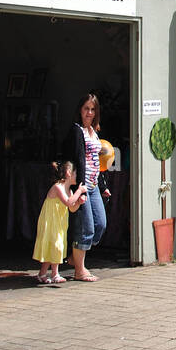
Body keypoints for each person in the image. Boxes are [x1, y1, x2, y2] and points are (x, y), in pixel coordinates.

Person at [68, 93, 110, 281]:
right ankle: (80, 270)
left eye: (93, 109)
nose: (89, 113)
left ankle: (74, 257)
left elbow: (97, 162)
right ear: (80, 109)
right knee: (86, 229)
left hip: (94, 185)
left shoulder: (94, 131)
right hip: (83, 186)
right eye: (86, 108)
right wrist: (79, 188)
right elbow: (78, 159)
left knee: (100, 224)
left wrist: (102, 186)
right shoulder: (77, 130)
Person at [33, 160, 87, 284]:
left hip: (59, 222)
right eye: (75, 173)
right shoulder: (58, 187)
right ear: (68, 173)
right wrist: (79, 191)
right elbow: (68, 202)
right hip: (51, 220)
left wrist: (78, 202)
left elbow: (72, 208)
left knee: (54, 246)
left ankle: (42, 274)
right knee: (56, 245)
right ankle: (55, 273)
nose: (77, 176)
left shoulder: (70, 191)